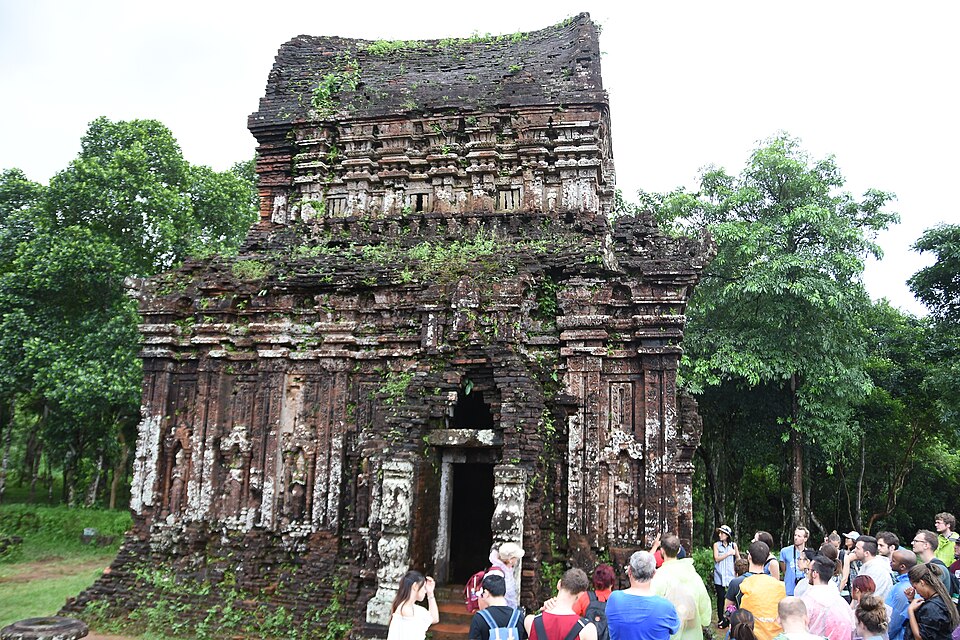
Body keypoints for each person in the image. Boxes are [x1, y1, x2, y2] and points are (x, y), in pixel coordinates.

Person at [605, 550, 680, 640]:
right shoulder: (666, 606)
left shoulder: (614, 599)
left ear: (629, 572)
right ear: (654, 574)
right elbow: (674, 628)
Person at [652, 533, 712, 640]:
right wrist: (704, 620)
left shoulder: (659, 576)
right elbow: (704, 604)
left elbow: (651, 607)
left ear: (662, 551)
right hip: (692, 633)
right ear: (679, 550)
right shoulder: (693, 575)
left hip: (668, 634)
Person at [526, 568, 597, 640]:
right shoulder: (587, 630)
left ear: (559, 584)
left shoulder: (530, 621)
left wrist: (541, 611)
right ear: (581, 594)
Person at [799, 554, 856, 640]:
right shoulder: (840, 600)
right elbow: (852, 626)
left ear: (814, 574)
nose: (807, 573)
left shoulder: (808, 599)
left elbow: (799, 627)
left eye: (808, 570)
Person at [739, 541, 786, 640]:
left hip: (751, 636)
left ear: (749, 557)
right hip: (776, 636)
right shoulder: (781, 586)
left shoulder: (744, 583)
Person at [906, 563, 960, 640]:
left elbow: (920, 637)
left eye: (915, 587)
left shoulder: (932, 607)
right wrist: (911, 600)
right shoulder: (942, 598)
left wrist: (910, 610)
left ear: (922, 582)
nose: (916, 592)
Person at [470, 573, 525, 640]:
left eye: (482, 594)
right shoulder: (519, 617)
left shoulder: (479, 618)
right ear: (504, 592)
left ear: (486, 593)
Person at [387, 570, 439, 640]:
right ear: (415, 586)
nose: (425, 591)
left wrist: (430, 593)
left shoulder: (412, 608)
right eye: (424, 587)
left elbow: (434, 618)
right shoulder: (405, 610)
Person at [886, 549, 917, 640]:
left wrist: (886, 635)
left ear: (902, 566)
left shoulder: (904, 589)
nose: (890, 562)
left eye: (894, 561)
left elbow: (896, 619)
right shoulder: (901, 584)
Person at [911, 530, 953, 595]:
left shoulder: (937, 568)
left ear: (926, 545)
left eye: (916, 541)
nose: (912, 543)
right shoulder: (928, 566)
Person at [714, 526, 739, 629]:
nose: (720, 535)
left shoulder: (733, 545)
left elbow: (738, 558)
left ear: (727, 535)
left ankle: (730, 619)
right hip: (719, 576)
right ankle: (721, 619)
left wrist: (738, 571)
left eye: (722, 533)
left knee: (732, 598)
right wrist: (727, 553)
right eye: (719, 533)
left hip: (731, 576)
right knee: (720, 597)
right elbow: (716, 558)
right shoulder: (716, 545)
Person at [855, 536, 893, 601]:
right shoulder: (866, 566)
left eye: (857, 548)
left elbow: (871, 597)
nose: (854, 550)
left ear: (866, 553)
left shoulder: (877, 570)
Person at [492, 542, 526, 608]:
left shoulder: (507, 569)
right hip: (503, 610)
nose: (517, 560)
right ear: (510, 559)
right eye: (516, 558)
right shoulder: (497, 574)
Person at [781, 527, 811, 597]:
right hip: (789, 590)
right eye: (795, 535)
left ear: (805, 539)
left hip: (804, 591)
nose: (796, 538)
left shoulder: (809, 554)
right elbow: (783, 568)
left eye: (799, 536)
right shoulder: (785, 551)